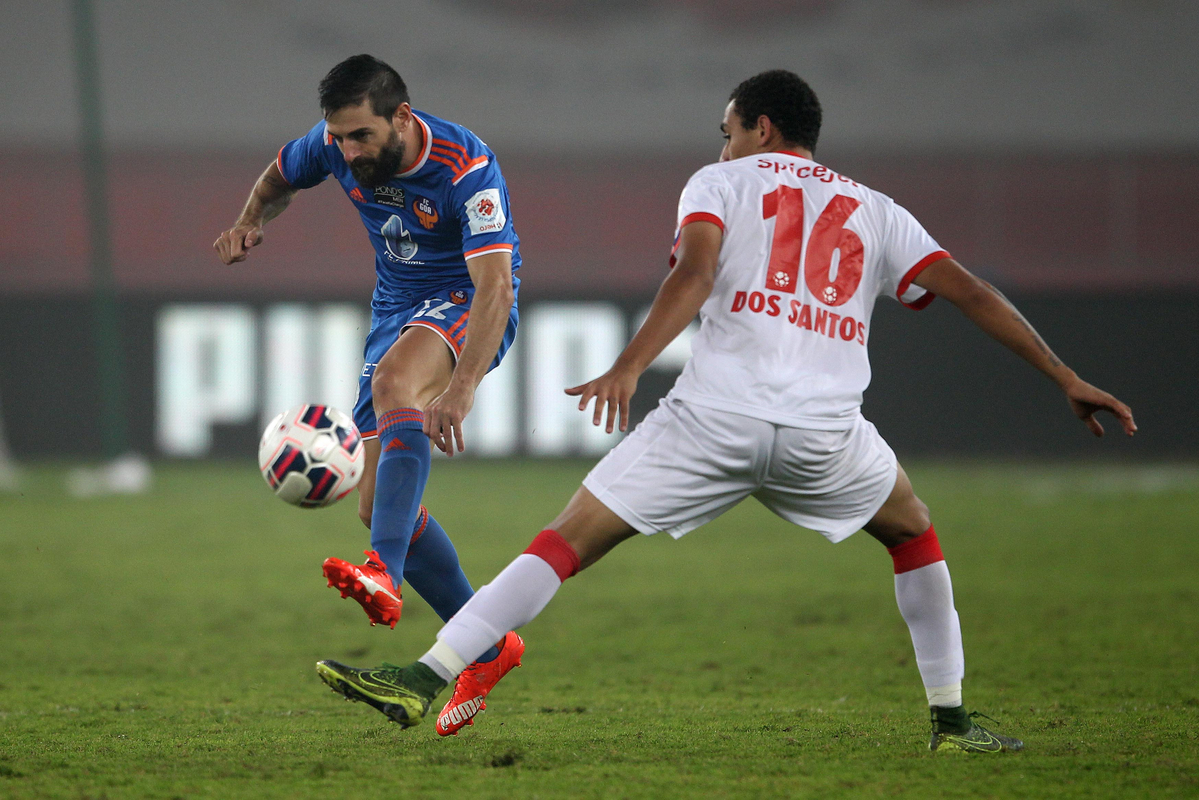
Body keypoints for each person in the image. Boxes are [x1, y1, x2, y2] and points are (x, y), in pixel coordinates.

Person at [314, 70, 1137, 751]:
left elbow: (695, 274)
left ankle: (424, 677)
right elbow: (973, 293)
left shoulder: (721, 182)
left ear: (762, 128)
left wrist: (630, 365)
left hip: (714, 420)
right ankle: (952, 720)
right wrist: (1063, 376)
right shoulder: (877, 210)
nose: (721, 143)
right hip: (827, 433)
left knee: (563, 545)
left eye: (728, 128)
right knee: (914, 532)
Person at [214, 54, 525, 736]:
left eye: (361, 137)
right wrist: (249, 219)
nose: (347, 152)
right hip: (396, 309)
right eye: (339, 138)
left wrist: (464, 385)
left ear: (401, 119)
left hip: (468, 300)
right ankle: (489, 645)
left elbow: (496, 285)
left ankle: (382, 570)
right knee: (374, 504)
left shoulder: (466, 168)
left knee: (392, 385)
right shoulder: (331, 144)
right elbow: (277, 178)